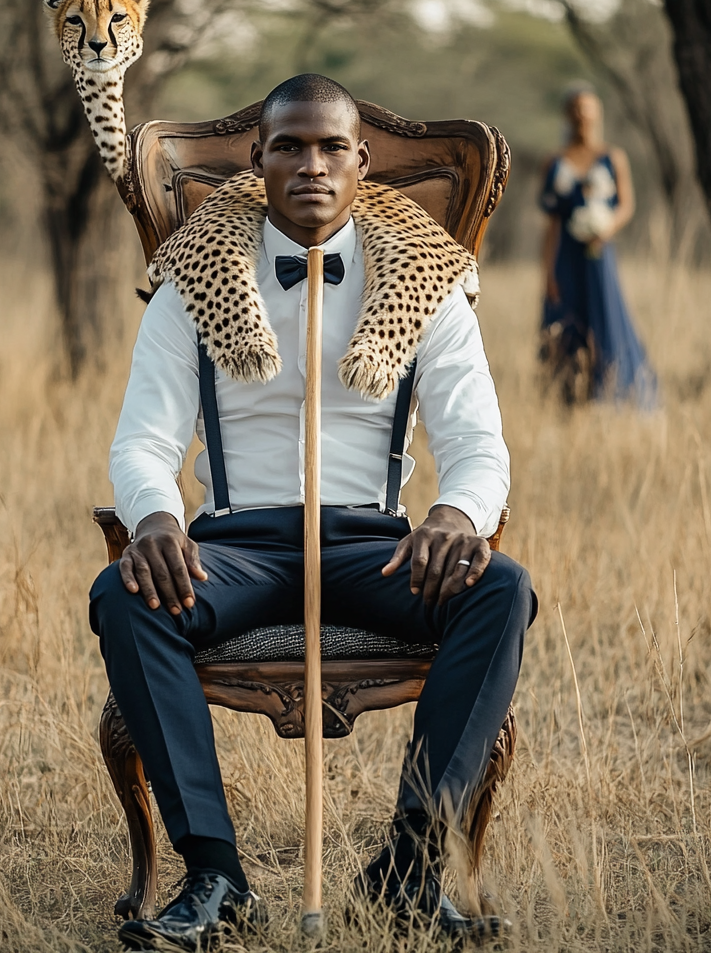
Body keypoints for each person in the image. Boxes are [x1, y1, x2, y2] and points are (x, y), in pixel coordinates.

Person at [89, 74, 537, 951]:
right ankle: (215, 874)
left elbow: (479, 444)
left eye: (332, 146)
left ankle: (409, 870)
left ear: (362, 162)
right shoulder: (191, 277)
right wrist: (153, 519)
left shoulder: (431, 282)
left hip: (371, 545)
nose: (311, 164)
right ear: (256, 159)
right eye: (288, 145)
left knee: (503, 588)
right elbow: (143, 441)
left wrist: (457, 512)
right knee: (123, 595)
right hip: (235, 549)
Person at [539, 85, 658, 407]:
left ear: (597, 113)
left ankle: (612, 392)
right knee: (565, 316)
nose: (582, 114)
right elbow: (550, 224)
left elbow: (626, 205)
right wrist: (548, 272)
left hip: (598, 253)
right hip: (566, 254)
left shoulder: (612, 157)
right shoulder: (554, 161)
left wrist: (605, 226)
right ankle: (566, 392)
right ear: (567, 114)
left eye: (587, 107)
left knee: (605, 314)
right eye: (576, 108)